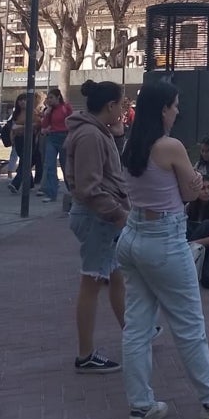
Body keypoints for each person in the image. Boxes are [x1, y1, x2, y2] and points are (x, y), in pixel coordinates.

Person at [117, 80, 209, 419]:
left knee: (137, 327)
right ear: (163, 108)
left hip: (132, 236)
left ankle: (140, 406)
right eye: (175, 105)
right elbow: (192, 189)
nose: (178, 111)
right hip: (164, 239)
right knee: (189, 325)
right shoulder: (169, 146)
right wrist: (194, 180)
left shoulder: (131, 144)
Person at [63, 80, 129, 373]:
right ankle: (85, 354)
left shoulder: (95, 131)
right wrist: (117, 214)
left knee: (114, 276)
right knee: (91, 281)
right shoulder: (90, 135)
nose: (125, 108)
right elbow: (89, 187)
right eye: (122, 103)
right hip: (97, 218)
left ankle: (134, 329)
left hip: (99, 217)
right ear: (110, 106)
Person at [7, 93, 42, 194]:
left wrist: (22, 127)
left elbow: (38, 124)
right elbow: (12, 127)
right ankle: (29, 183)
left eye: (24, 100)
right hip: (18, 139)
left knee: (24, 161)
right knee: (24, 160)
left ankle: (15, 183)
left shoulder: (33, 112)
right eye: (20, 100)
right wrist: (12, 138)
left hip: (28, 138)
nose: (22, 102)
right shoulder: (16, 113)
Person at [186, 175, 209, 248]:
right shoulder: (189, 206)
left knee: (207, 225)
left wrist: (191, 244)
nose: (207, 192)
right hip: (190, 243)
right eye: (202, 188)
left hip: (207, 245)